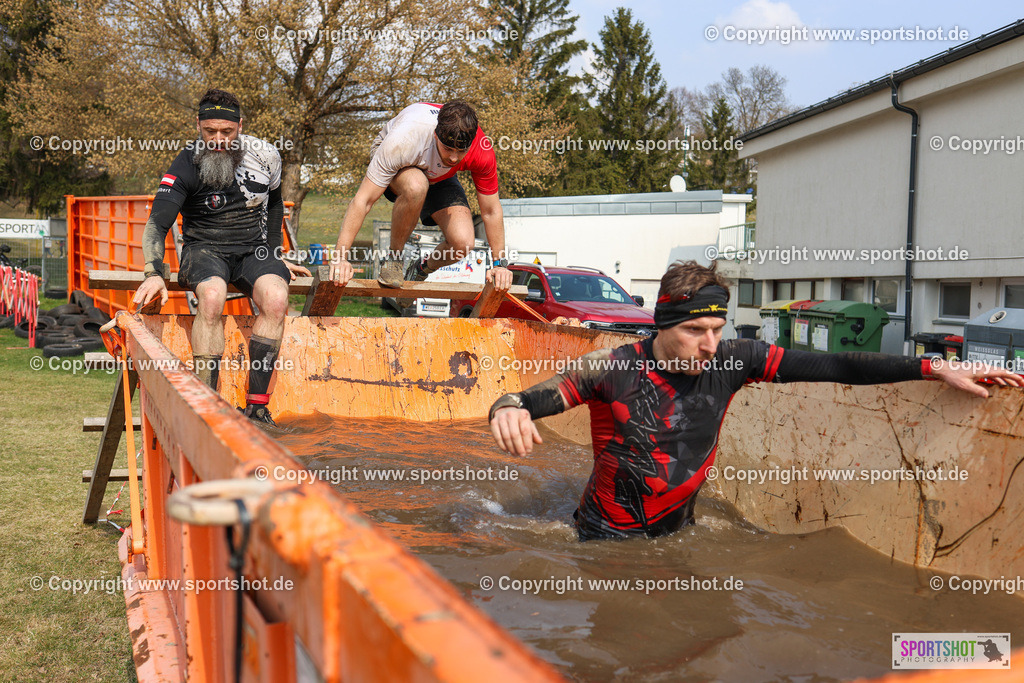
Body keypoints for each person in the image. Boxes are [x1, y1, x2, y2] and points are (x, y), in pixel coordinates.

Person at [488, 260, 1024, 541]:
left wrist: (936, 366)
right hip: (603, 540)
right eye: (695, 330)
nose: (710, 344)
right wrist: (507, 407)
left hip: (679, 536)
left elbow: (837, 365)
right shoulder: (612, 367)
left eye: (717, 328)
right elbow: (529, 398)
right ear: (662, 325)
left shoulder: (733, 360)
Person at [132, 88, 309, 427]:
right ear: (198, 126)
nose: (217, 139)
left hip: (252, 250)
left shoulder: (265, 156)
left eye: (226, 131)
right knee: (212, 297)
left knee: (276, 297)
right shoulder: (185, 163)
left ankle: (257, 408)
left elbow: (274, 206)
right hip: (204, 250)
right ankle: (206, 407)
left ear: (240, 126)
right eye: (209, 131)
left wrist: (275, 255)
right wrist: (153, 272)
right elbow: (157, 224)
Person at [328, 100, 513, 295]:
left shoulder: (482, 150)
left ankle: (420, 269)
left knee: (463, 243)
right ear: (436, 135)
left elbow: (491, 211)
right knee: (416, 185)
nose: (453, 158)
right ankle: (394, 259)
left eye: (461, 151)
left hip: (439, 175)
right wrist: (340, 257)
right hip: (403, 161)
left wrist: (499, 264)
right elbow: (363, 201)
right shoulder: (403, 139)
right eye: (448, 148)